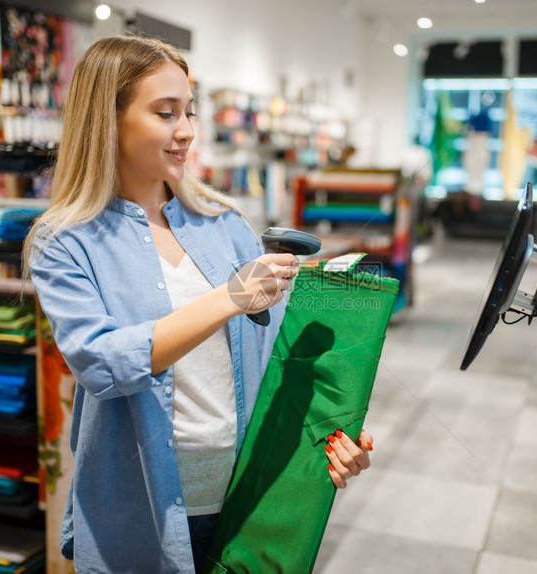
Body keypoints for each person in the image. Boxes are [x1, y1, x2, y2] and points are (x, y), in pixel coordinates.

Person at [22, 35, 374, 573]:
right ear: (107, 120)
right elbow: (100, 362)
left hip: (243, 494)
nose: (186, 130)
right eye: (166, 113)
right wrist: (227, 299)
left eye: (189, 111)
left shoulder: (223, 223)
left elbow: (277, 356)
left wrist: (328, 435)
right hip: (139, 509)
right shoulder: (65, 241)